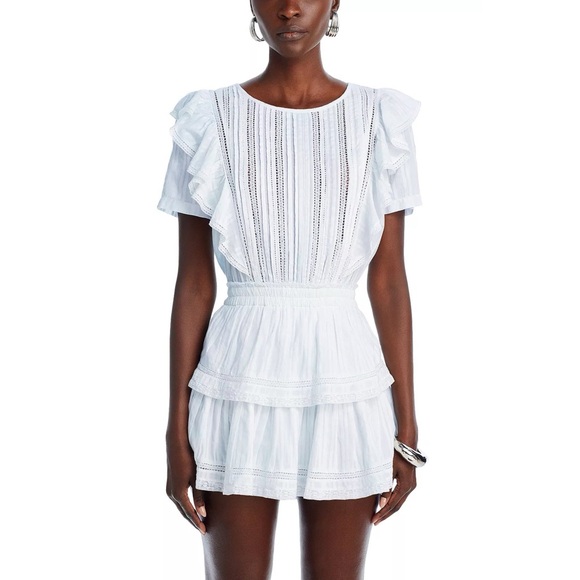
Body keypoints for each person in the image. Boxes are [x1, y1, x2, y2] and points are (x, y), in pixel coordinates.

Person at [157, 1, 427, 578]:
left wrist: (406, 425)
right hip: (237, 379)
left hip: (344, 381)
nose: (290, 8)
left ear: (336, 3)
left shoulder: (380, 120)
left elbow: (388, 282)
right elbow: (194, 283)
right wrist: (175, 429)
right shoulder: (207, 119)